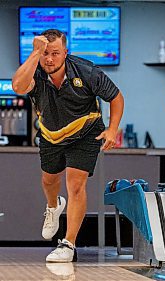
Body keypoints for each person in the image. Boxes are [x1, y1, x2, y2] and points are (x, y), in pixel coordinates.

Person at [12, 29, 124, 262]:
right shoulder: (36, 71)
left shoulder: (86, 71)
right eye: (45, 53)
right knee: (49, 180)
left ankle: (68, 244)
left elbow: (116, 97)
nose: (49, 59)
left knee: (75, 184)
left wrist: (112, 129)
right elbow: (18, 87)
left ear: (65, 53)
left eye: (55, 53)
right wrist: (35, 53)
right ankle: (53, 206)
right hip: (51, 133)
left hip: (86, 131)